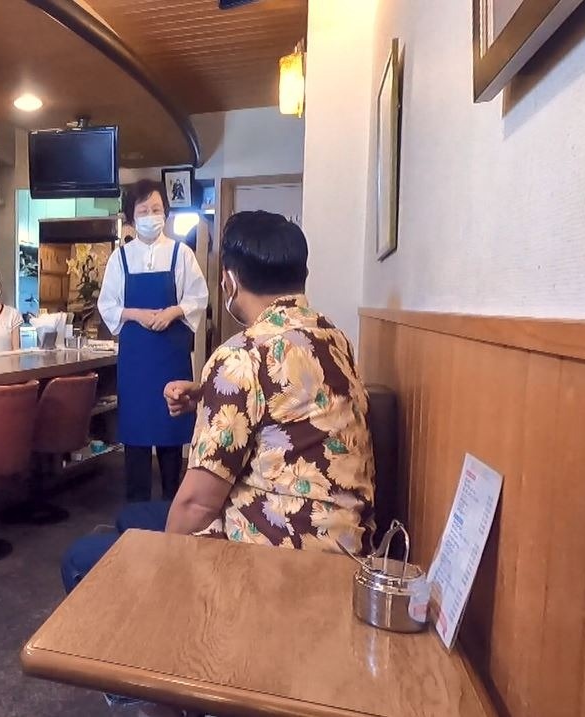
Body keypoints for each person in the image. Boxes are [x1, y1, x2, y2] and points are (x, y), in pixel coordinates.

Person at [62, 210, 375, 592]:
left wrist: (164, 577)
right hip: (345, 542)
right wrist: (208, 393)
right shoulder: (333, 338)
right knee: (134, 516)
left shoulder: (240, 356)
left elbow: (197, 505)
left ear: (230, 281)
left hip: (276, 550)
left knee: (80, 557)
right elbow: (290, 408)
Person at [98, 179, 209, 503]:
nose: (150, 216)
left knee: (171, 432)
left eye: (156, 209)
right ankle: (137, 510)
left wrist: (174, 311)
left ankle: (174, 507)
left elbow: (198, 297)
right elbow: (108, 305)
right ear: (131, 217)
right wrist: (136, 314)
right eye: (143, 210)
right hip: (136, 362)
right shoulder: (120, 258)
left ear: (166, 213)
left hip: (170, 358)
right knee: (136, 435)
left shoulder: (181, 253)